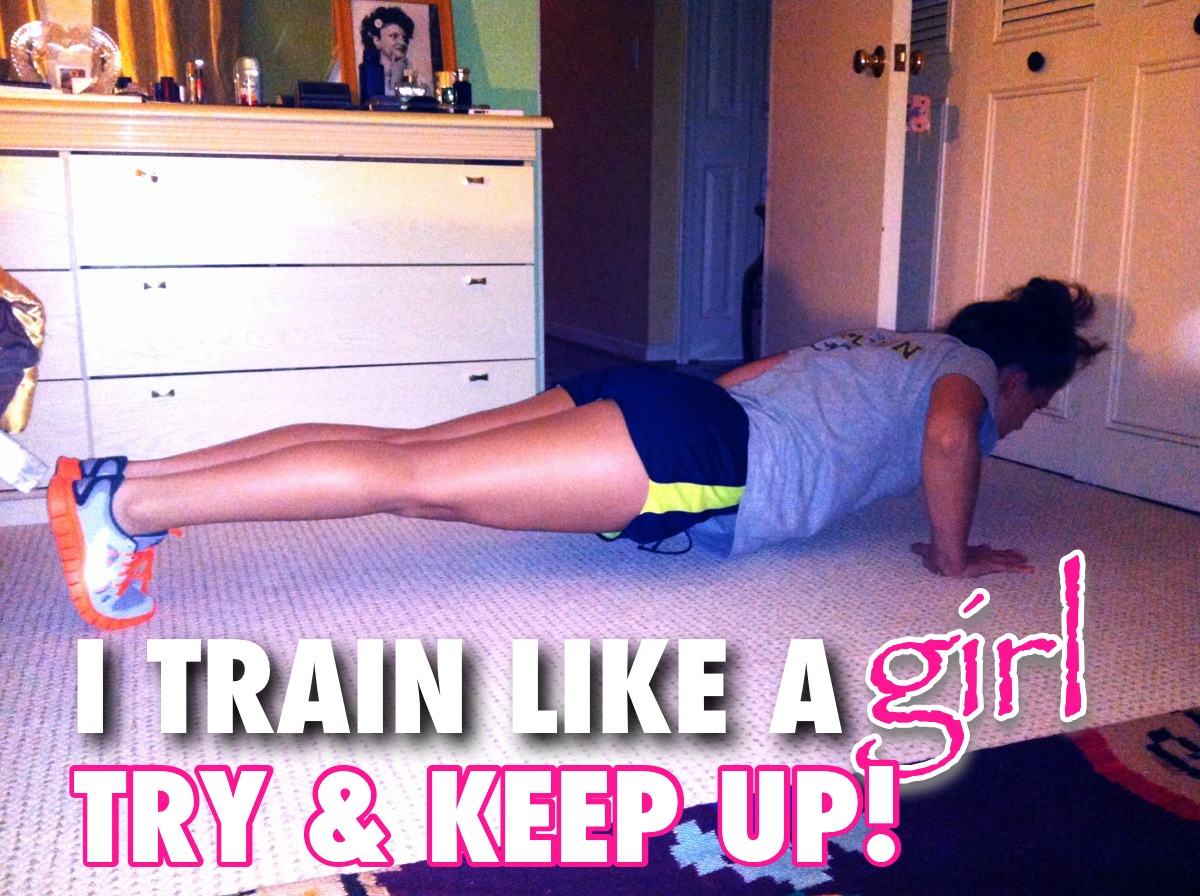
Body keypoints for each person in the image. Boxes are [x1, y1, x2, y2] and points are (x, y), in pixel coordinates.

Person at [47, 277, 1104, 631]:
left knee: (401, 447)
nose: (1021, 420)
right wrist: (953, 556)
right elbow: (953, 437)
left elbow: (755, 369)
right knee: (412, 484)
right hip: (704, 447)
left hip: (666, 396)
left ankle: (125, 479)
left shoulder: (890, 341)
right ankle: (125, 516)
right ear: (1020, 374)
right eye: (1039, 402)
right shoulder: (967, 369)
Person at [360, 5, 415, 96]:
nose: (402, 42)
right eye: (394, 36)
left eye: (404, 38)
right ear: (376, 40)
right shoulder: (368, 75)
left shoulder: (413, 76)